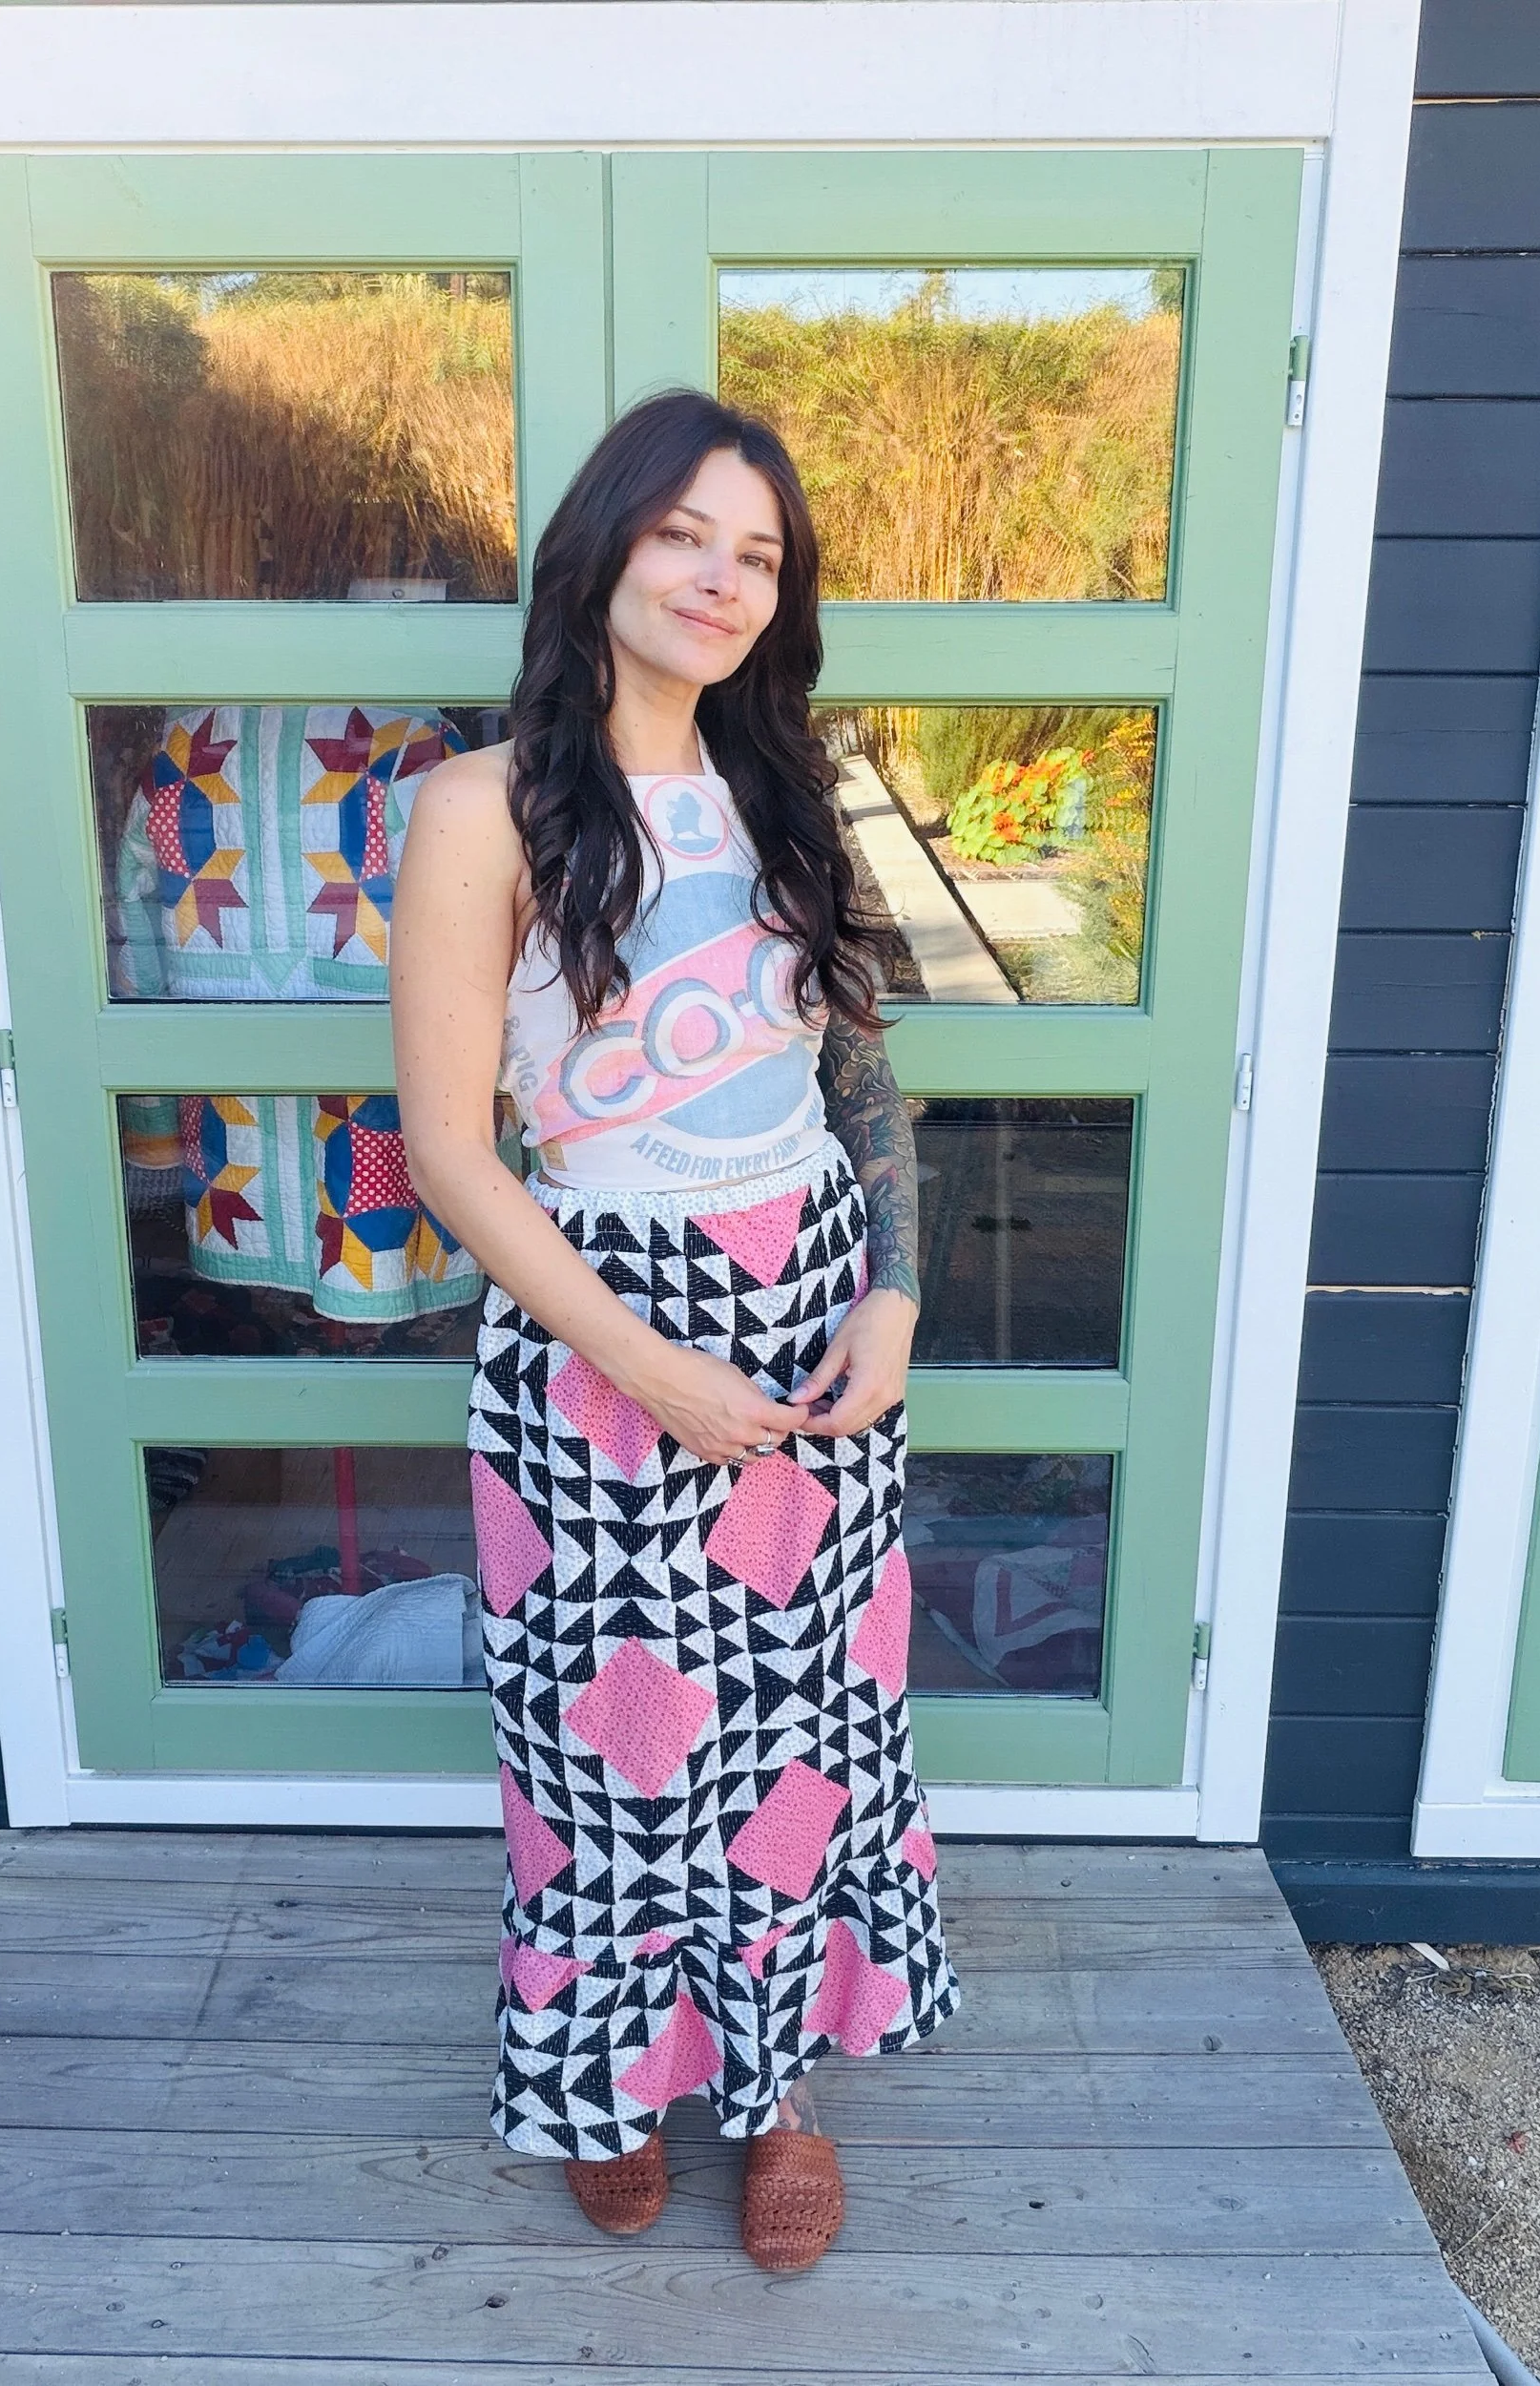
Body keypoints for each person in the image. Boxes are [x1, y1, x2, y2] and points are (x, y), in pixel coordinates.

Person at [391, 387, 959, 2272]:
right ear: (605, 548)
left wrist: (894, 1295)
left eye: (758, 554)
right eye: (684, 534)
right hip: (593, 1342)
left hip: (808, 1321)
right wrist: (644, 1364)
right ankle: (615, 2080)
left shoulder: (793, 792)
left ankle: (775, 2088)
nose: (720, 578)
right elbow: (449, 1152)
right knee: (612, 1743)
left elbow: (858, 1073)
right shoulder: (475, 810)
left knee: (802, 1723)